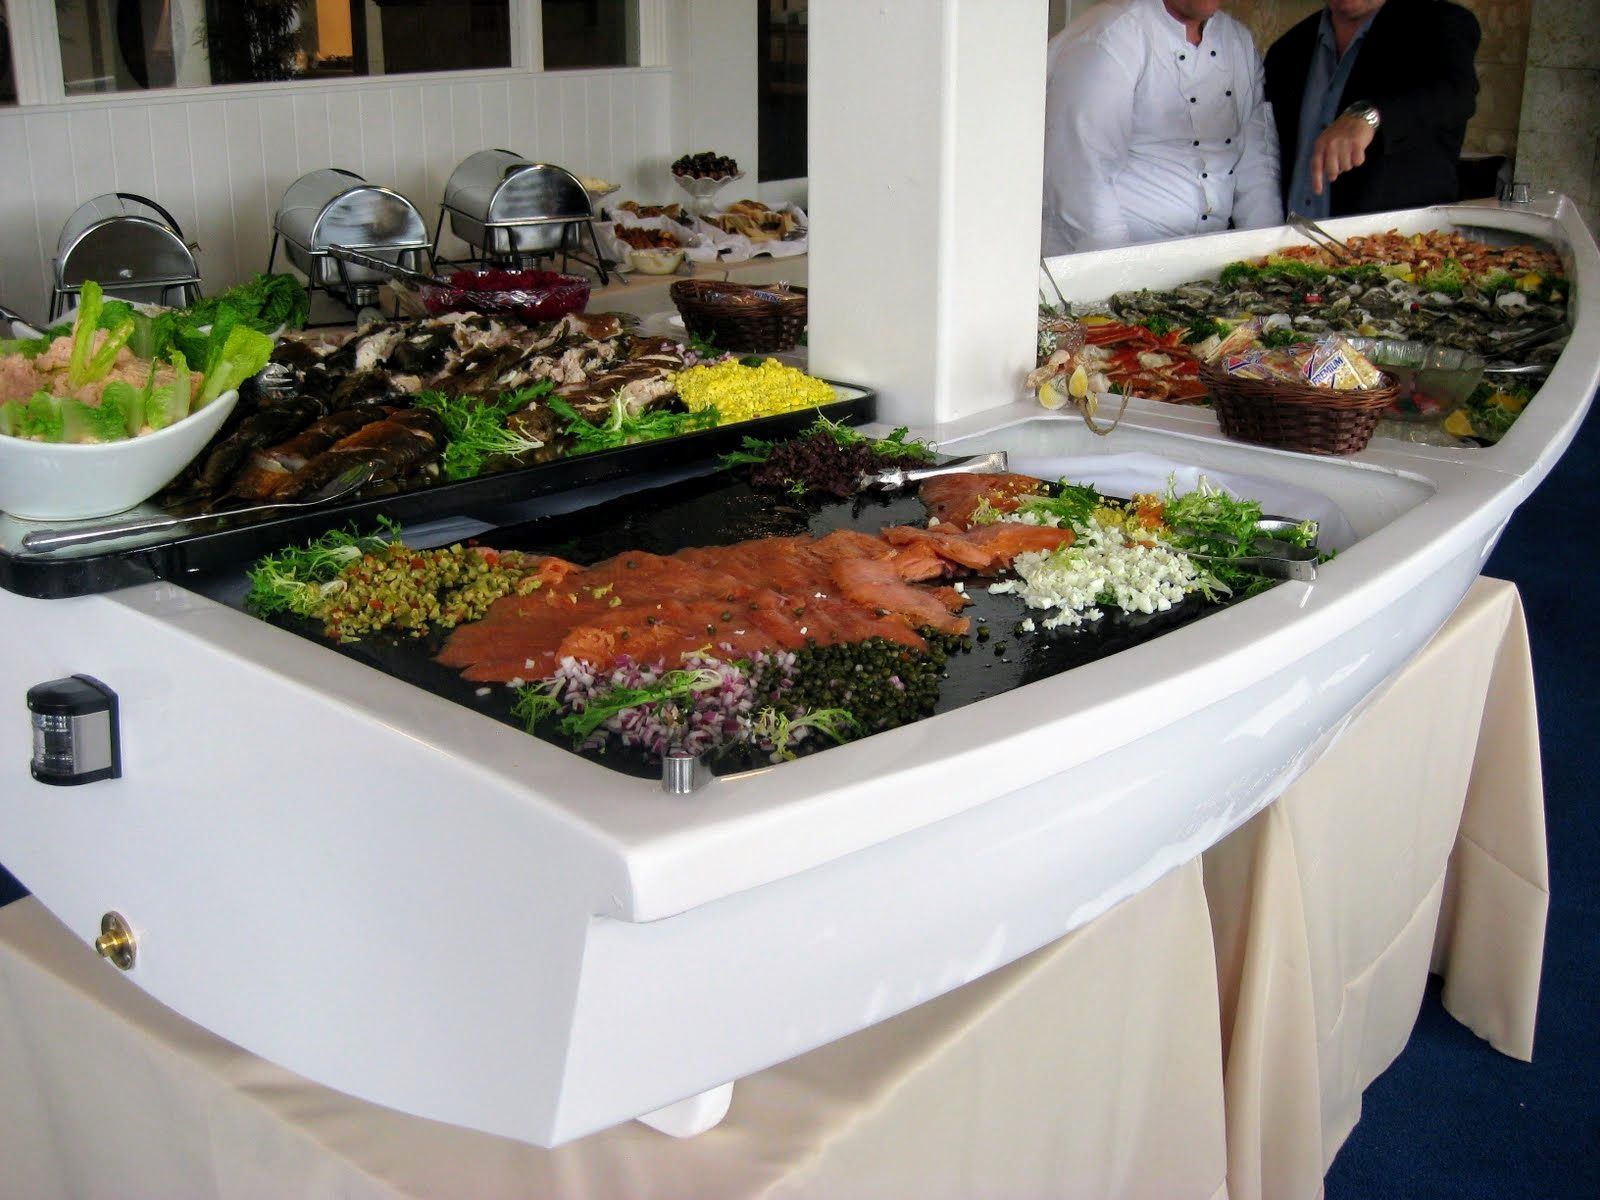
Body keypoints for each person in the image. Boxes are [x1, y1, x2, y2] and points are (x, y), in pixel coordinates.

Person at [1041, 0, 1282, 257]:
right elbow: (1081, 174)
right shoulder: (1111, 35)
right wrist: (1119, 267)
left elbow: (1257, 164)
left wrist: (1267, 253)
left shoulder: (1238, 42)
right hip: (1108, 256)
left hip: (1202, 259)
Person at [1264, 0, 1480, 220]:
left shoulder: (1441, 23)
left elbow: (1457, 94)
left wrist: (1369, 115)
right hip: (1287, 238)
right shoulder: (1285, 50)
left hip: (1396, 238)